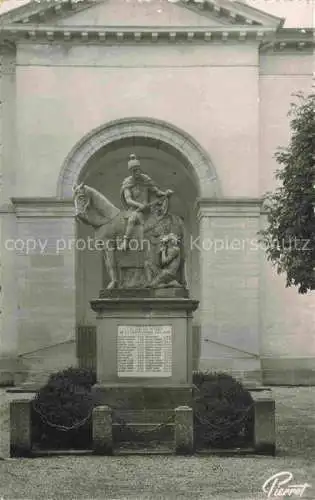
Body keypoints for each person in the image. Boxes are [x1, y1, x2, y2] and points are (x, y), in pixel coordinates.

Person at [120, 154, 173, 249]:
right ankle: (126, 241)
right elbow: (128, 200)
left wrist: (165, 193)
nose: (137, 172)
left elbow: (156, 191)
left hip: (148, 209)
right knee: (132, 219)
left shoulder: (145, 179)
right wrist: (139, 205)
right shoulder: (127, 183)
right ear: (131, 172)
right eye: (134, 170)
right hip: (134, 209)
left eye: (138, 169)